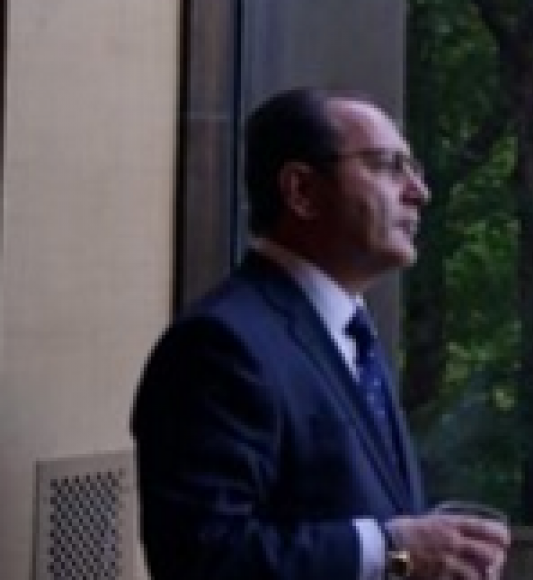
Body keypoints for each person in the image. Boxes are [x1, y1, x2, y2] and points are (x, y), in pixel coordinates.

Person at [130, 87, 509, 580]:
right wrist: (393, 553)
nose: (419, 191)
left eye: (413, 168)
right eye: (387, 166)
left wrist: (429, 555)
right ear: (302, 191)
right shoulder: (218, 345)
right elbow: (202, 558)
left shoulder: (352, 335)